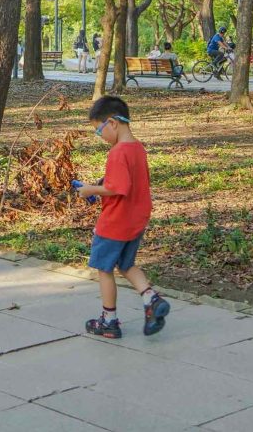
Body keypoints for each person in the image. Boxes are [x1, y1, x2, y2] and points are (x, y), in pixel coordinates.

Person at [70, 96, 171, 339]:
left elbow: (119, 187)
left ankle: (109, 321)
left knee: (103, 269)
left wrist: (90, 190)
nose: (100, 136)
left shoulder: (117, 152)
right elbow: (129, 180)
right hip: (137, 218)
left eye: (99, 130)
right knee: (126, 264)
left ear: (112, 122)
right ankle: (151, 299)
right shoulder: (137, 147)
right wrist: (101, 184)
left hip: (115, 221)